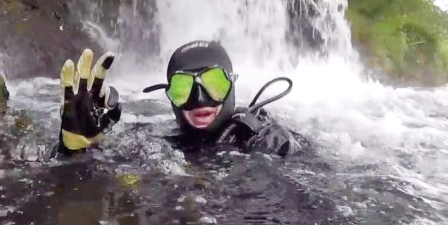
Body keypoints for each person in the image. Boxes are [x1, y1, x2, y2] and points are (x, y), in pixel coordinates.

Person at [55, 40, 299, 157]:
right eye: (183, 88)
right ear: (170, 96)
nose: (200, 99)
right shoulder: (154, 141)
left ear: (232, 84)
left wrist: (286, 149)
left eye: (214, 84)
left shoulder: (264, 139)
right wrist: (73, 149)